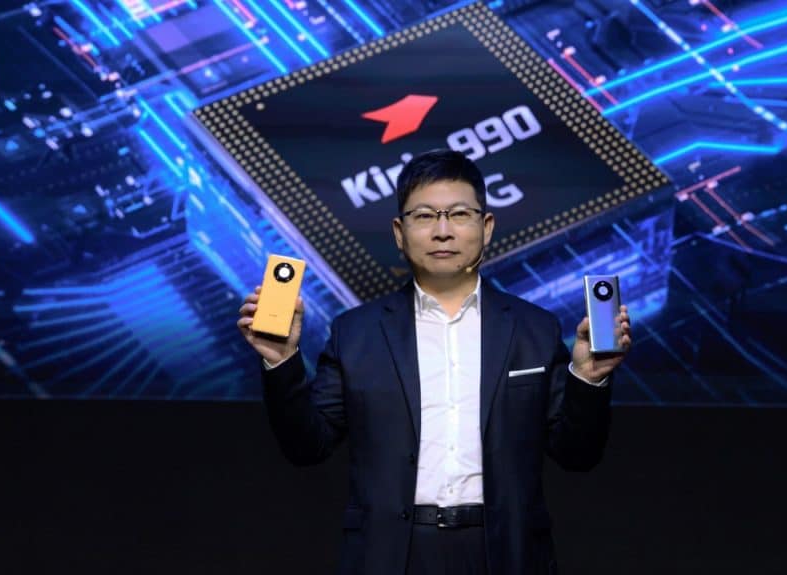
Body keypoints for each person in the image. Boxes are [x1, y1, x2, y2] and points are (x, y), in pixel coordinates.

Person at [237, 149, 631, 575]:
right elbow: (307, 447)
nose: (443, 231)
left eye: (459, 214)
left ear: (487, 226)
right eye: (424, 216)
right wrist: (281, 361)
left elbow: (577, 455)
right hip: (393, 555)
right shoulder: (356, 332)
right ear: (399, 232)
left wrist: (588, 380)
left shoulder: (534, 328)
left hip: (504, 552)